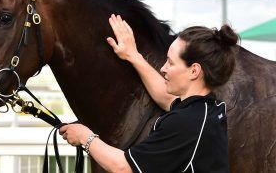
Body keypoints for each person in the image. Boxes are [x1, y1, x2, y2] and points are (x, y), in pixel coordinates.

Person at [59, 14, 238, 173]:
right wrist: (133, 55)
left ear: (194, 71)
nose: (163, 68)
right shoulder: (206, 110)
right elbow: (166, 97)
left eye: (170, 62)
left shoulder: (187, 122)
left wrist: (85, 137)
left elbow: (124, 167)